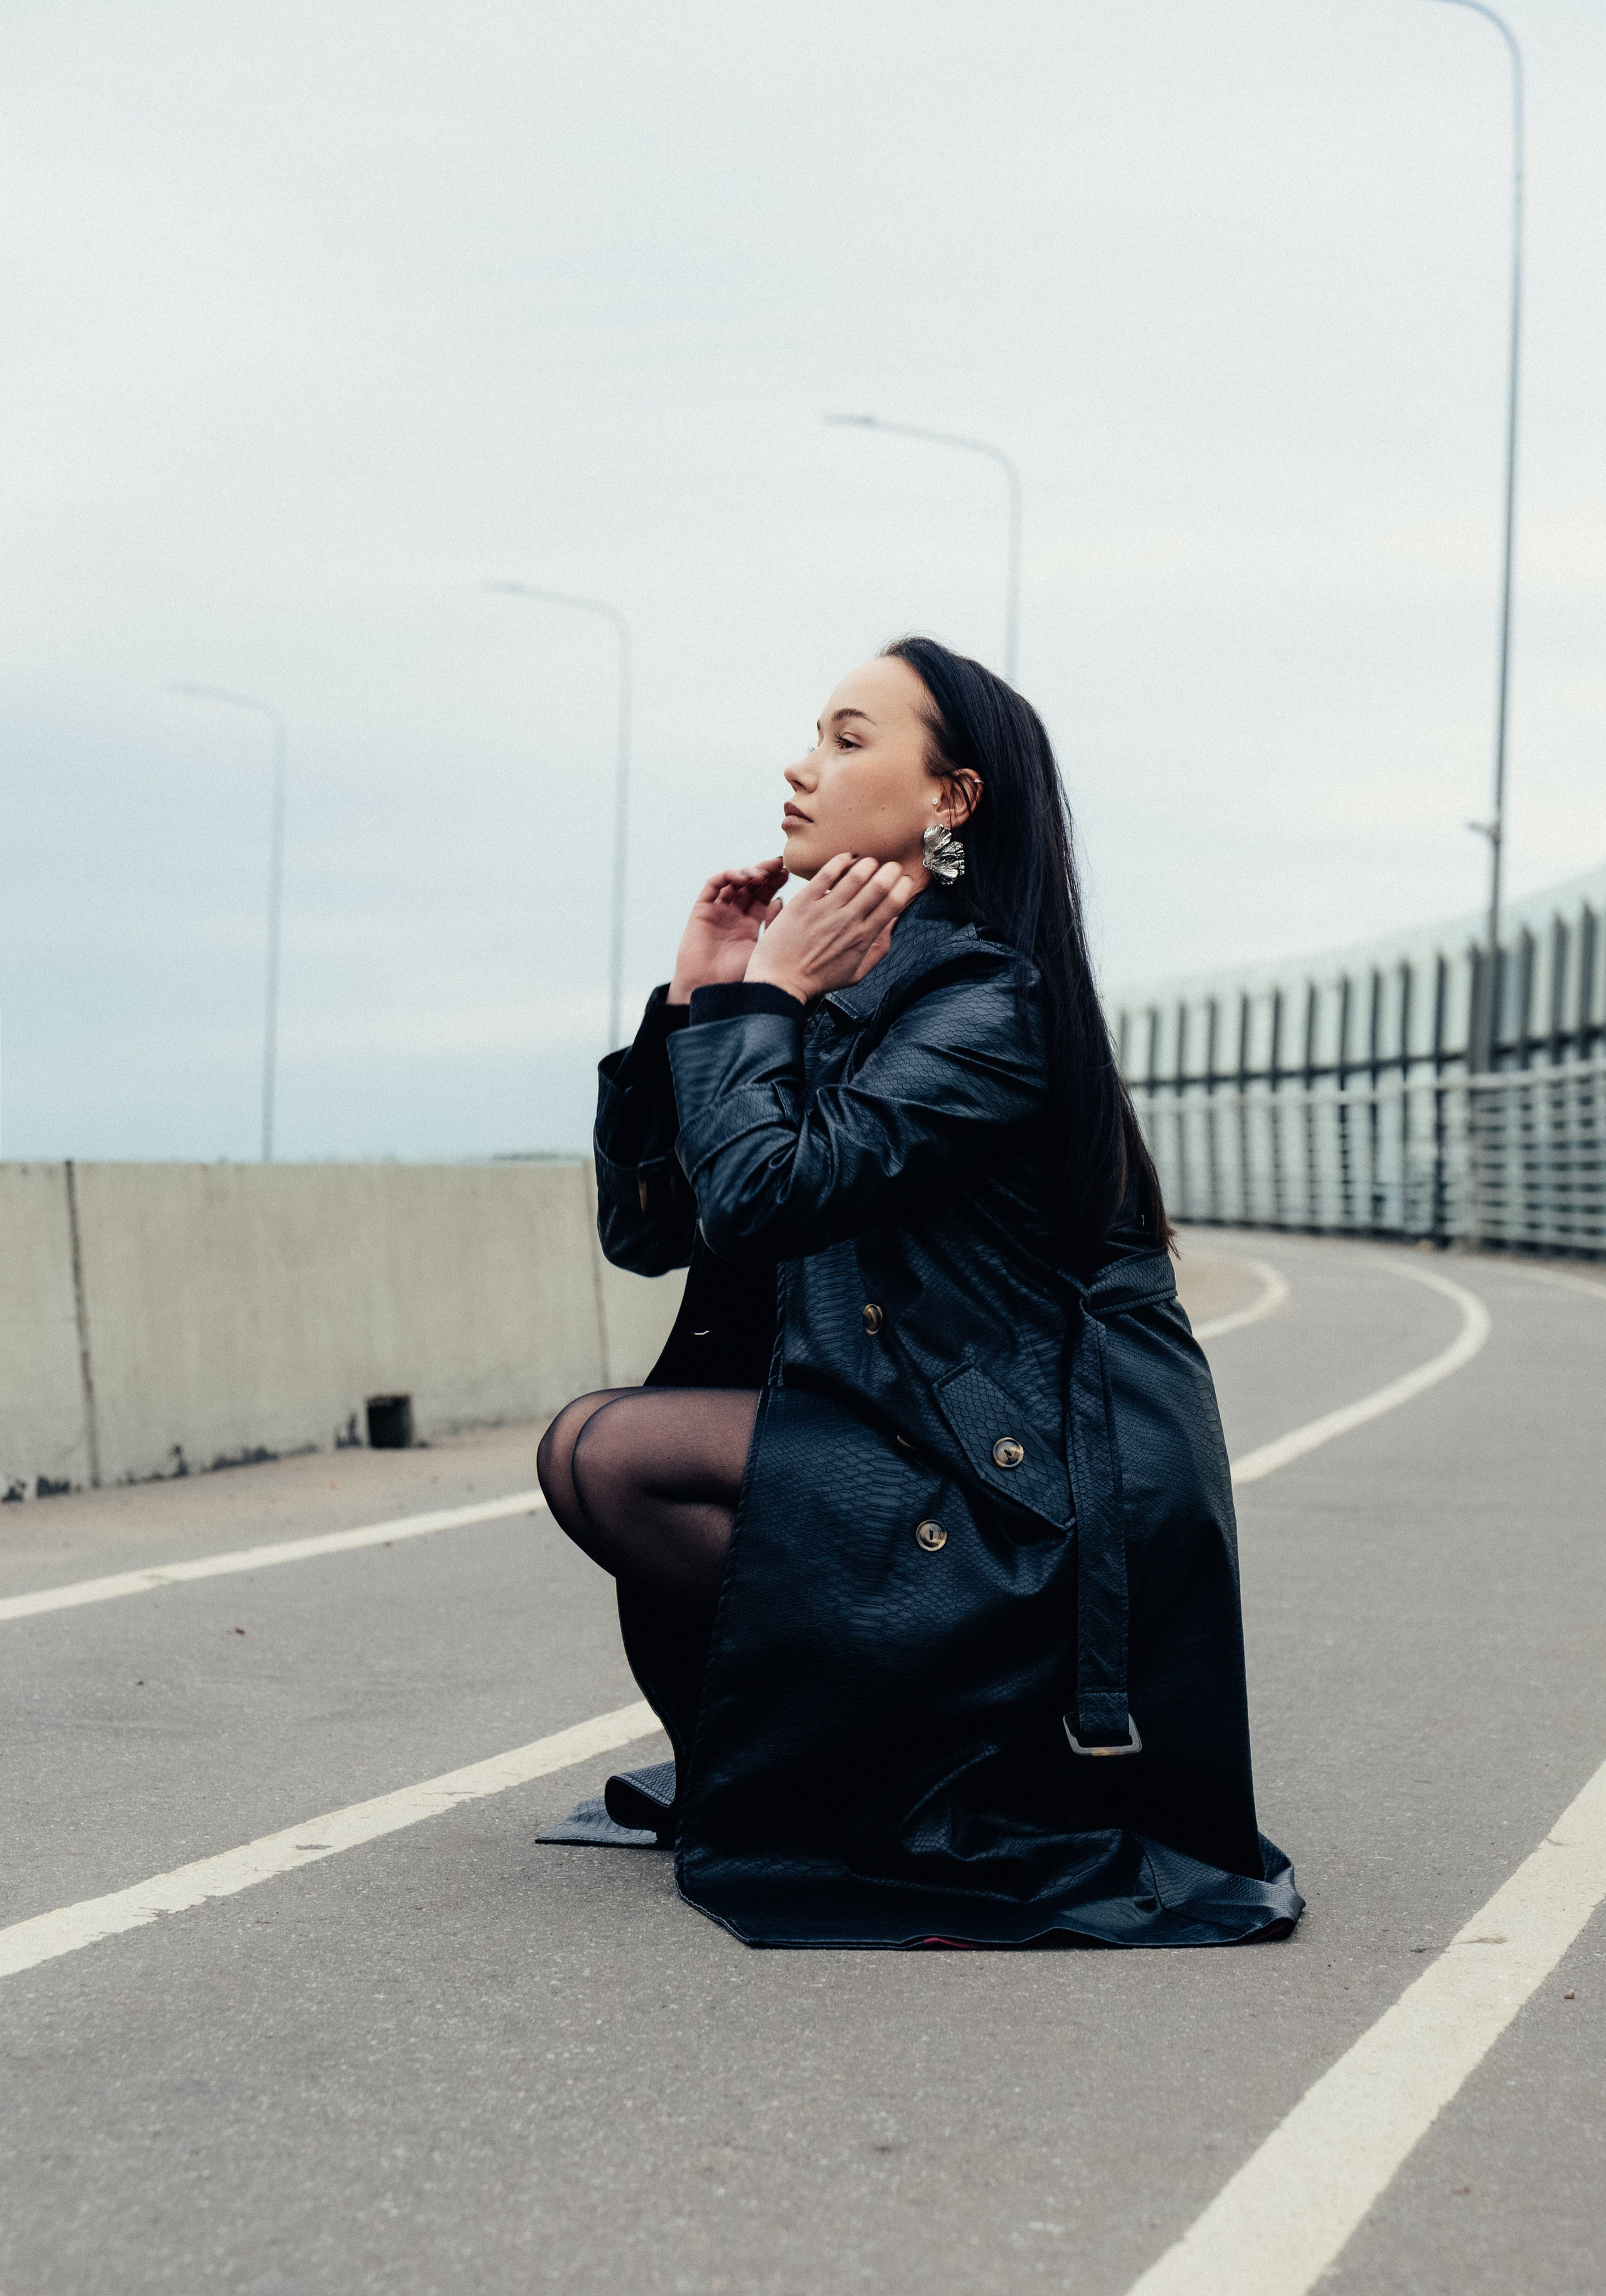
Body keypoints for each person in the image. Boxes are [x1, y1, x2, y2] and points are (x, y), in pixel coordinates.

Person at [537, 636, 1301, 1949]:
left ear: (949, 802)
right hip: (924, 1436)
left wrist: (764, 999)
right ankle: (863, 1743)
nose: (800, 763)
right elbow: (653, 1231)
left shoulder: (983, 998)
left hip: (1028, 1494)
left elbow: (770, 1192)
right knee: (604, 1448)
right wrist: (697, 999)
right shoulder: (849, 988)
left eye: (845, 738)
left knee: (605, 1456)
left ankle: (956, 1743)